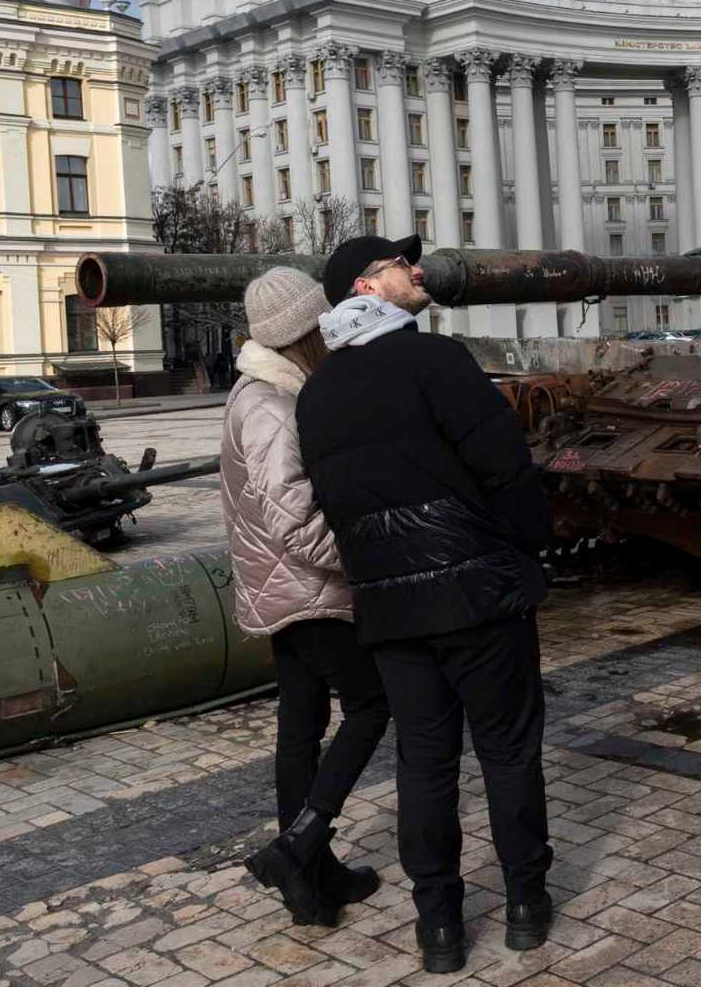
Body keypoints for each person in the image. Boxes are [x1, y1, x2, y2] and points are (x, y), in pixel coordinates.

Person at [297, 235, 554, 975]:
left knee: (425, 764)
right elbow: (506, 467)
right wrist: (527, 549)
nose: (417, 270)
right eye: (398, 265)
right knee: (507, 752)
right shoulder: (438, 361)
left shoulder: (318, 394)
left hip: (390, 611)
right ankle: (526, 906)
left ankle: (439, 926)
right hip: (477, 596)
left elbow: (336, 505)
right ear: (365, 288)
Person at [224, 266, 390, 928]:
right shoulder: (267, 404)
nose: (331, 333)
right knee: (371, 708)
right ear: (299, 334)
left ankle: (309, 879)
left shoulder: (269, 391)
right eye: (319, 323)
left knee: (300, 730)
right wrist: (358, 560)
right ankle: (300, 848)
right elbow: (291, 516)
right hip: (310, 589)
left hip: (282, 588)